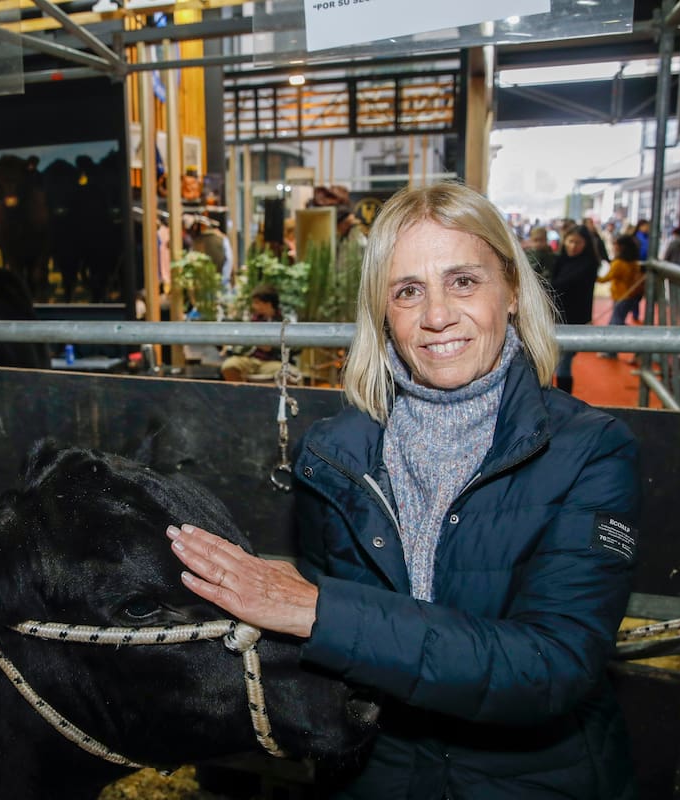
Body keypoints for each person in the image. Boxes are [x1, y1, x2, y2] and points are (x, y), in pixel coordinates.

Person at [168, 182, 639, 799]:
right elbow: (332, 668)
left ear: (514, 292)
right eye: (408, 291)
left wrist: (318, 611)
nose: (437, 315)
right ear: (383, 313)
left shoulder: (590, 450)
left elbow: (553, 664)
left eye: (464, 281)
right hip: (376, 772)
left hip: (532, 779)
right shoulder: (334, 457)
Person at [549, 225, 600, 393]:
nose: (573, 246)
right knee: (551, 362)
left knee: (562, 364)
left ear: (586, 244)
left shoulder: (588, 264)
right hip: (555, 317)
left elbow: (561, 284)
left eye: (578, 242)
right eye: (570, 241)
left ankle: (563, 401)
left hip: (574, 320)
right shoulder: (561, 259)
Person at [220, 283, 283, 382]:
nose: (254, 306)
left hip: (272, 362)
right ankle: (242, 394)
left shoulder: (282, 321)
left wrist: (272, 346)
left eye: (257, 303)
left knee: (288, 373)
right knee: (229, 366)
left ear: (268, 304)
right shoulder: (254, 320)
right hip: (251, 359)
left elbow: (289, 346)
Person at [596, 234, 644, 359]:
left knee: (616, 325)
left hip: (621, 297)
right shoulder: (633, 262)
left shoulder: (618, 263)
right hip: (630, 296)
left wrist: (592, 277)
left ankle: (640, 343)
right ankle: (613, 351)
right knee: (617, 323)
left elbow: (605, 278)